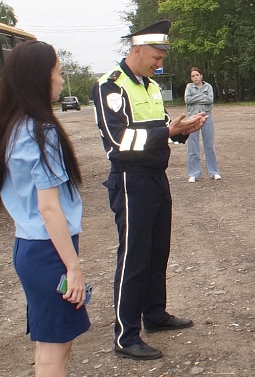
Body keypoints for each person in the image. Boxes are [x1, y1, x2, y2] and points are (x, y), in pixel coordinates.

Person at [93, 19, 206, 360]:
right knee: (134, 257)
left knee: (158, 251)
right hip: (131, 179)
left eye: (162, 58)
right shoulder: (111, 86)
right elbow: (119, 140)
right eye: (156, 57)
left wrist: (183, 130)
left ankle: (155, 315)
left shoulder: (152, 86)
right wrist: (167, 132)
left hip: (156, 176)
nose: (160, 63)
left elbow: (163, 127)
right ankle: (125, 335)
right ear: (138, 50)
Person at [0, 40, 90, 376]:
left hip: (29, 247)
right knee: (55, 351)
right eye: (57, 72)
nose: (61, 79)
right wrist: (73, 266)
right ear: (41, 77)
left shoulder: (11, 126)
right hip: (49, 251)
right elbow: (49, 209)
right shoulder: (42, 132)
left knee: (49, 344)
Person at [185, 66, 221, 183]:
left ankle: (214, 171)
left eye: (197, 75)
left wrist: (195, 97)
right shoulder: (189, 87)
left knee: (209, 145)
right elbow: (187, 100)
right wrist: (201, 97)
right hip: (192, 118)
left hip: (206, 117)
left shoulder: (208, 87)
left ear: (201, 76)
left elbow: (210, 100)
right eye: (193, 76)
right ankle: (194, 173)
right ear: (191, 78)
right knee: (193, 146)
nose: (195, 77)